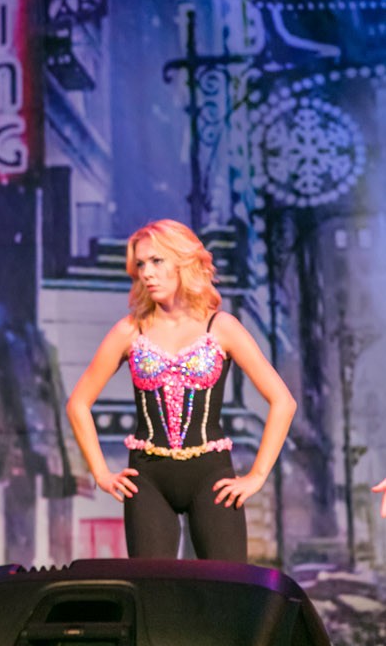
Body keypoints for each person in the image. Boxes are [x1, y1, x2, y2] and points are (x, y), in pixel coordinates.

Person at [66, 219, 296, 562]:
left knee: (226, 586)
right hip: (147, 477)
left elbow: (283, 402)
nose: (147, 272)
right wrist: (101, 473)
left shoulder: (222, 327)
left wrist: (257, 476)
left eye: (157, 261)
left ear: (183, 262)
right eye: (141, 264)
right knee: (151, 587)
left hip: (211, 474)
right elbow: (78, 404)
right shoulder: (130, 330)